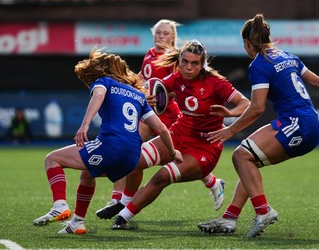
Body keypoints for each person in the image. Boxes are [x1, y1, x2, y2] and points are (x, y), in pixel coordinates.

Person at [197, 13, 319, 238]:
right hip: (310, 123)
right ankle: (230, 217)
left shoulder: (259, 65)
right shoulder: (288, 56)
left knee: (240, 156)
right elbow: (318, 82)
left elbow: (257, 108)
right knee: (250, 162)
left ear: (247, 43)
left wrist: (230, 129)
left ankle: (263, 211)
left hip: (295, 123)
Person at [32, 46, 182, 234]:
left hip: (111, 147)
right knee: (87, 173)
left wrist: (85, 125)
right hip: (132, 159)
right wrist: (172, 152)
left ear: (104, 70)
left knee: (52, 159)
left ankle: (60, 205)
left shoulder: (104, 82)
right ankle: (77, 223)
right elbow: (161, 128)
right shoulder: (139, 95)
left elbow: (99, 94)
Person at [107, 39, 250, 230]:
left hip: (205, 147)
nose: (188, 67)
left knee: (161, 177)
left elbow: (245, 104)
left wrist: (230, 114)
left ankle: (122, 218)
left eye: (194, 63)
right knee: (132, 160)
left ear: (202, 64)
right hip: (178, 134)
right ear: (179, 61)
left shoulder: (216, 83)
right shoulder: (175, 78)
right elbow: (158, 92)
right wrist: (148, 98)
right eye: (185, 62)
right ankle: (124, 202)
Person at [96, 19, 226, 218]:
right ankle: (119, 200)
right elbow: (143, 77)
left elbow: (174, 89)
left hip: (169, 115)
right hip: (150, 113)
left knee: (169, 154)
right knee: (131, 151)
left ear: (173, 37)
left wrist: (156, 97)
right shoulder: (149, 54)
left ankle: (213, 182)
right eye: (158, 33)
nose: (161, 37)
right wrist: (129, 86)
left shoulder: (177, 60)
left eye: (166, 33)